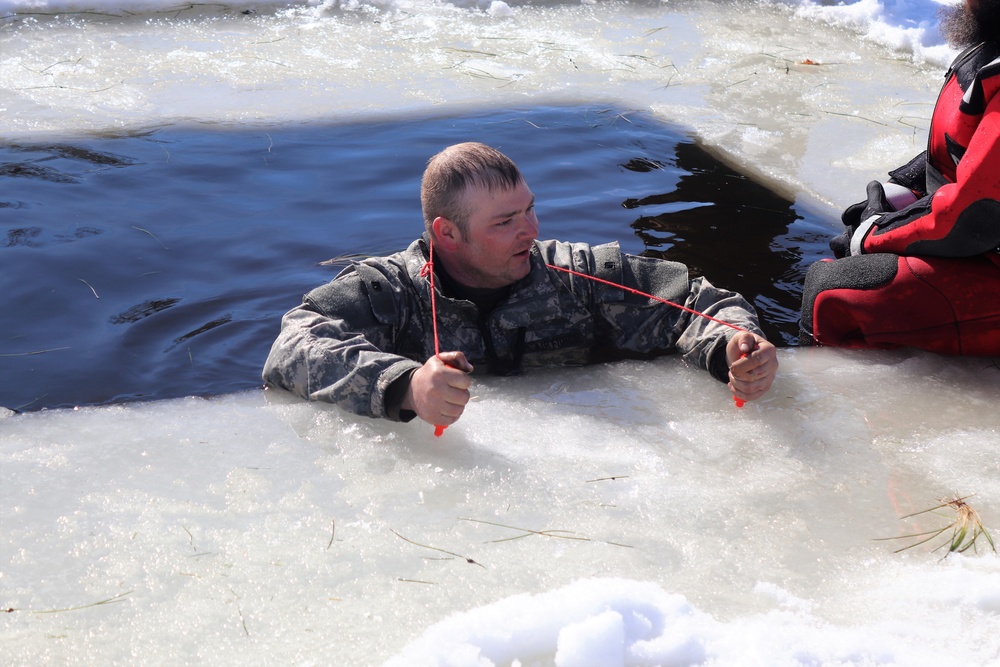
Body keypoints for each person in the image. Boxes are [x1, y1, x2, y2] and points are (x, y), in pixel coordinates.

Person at [263, 142, 777, 429]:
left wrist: (733, 346)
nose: (530, 231)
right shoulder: (391, 292)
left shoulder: (577, 276)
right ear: (447, 233)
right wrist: (406, 385)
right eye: (505, 221)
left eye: (530, 209)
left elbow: (698, 301)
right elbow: (292, 346)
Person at [800, 0, 1000, 355]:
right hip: (982, 242)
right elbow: (965, 155)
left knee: (830, 294)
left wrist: (872, 235)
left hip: (982, 241)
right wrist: (905, 190)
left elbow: (974, 217)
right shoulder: (989, 52)